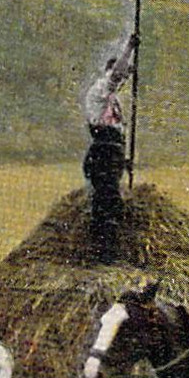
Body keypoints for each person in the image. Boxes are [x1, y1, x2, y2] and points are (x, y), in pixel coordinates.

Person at [81, 32, 138, 263]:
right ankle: (102, 255)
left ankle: (108, 252)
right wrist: (129, 49)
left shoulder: (112, 98)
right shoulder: (101, 88)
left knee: (110, 200)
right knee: (107, 201)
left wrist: (122, 161)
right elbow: (116, 75)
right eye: (121, 76)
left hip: (111, 153)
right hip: (103, 153)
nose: (122, 82)